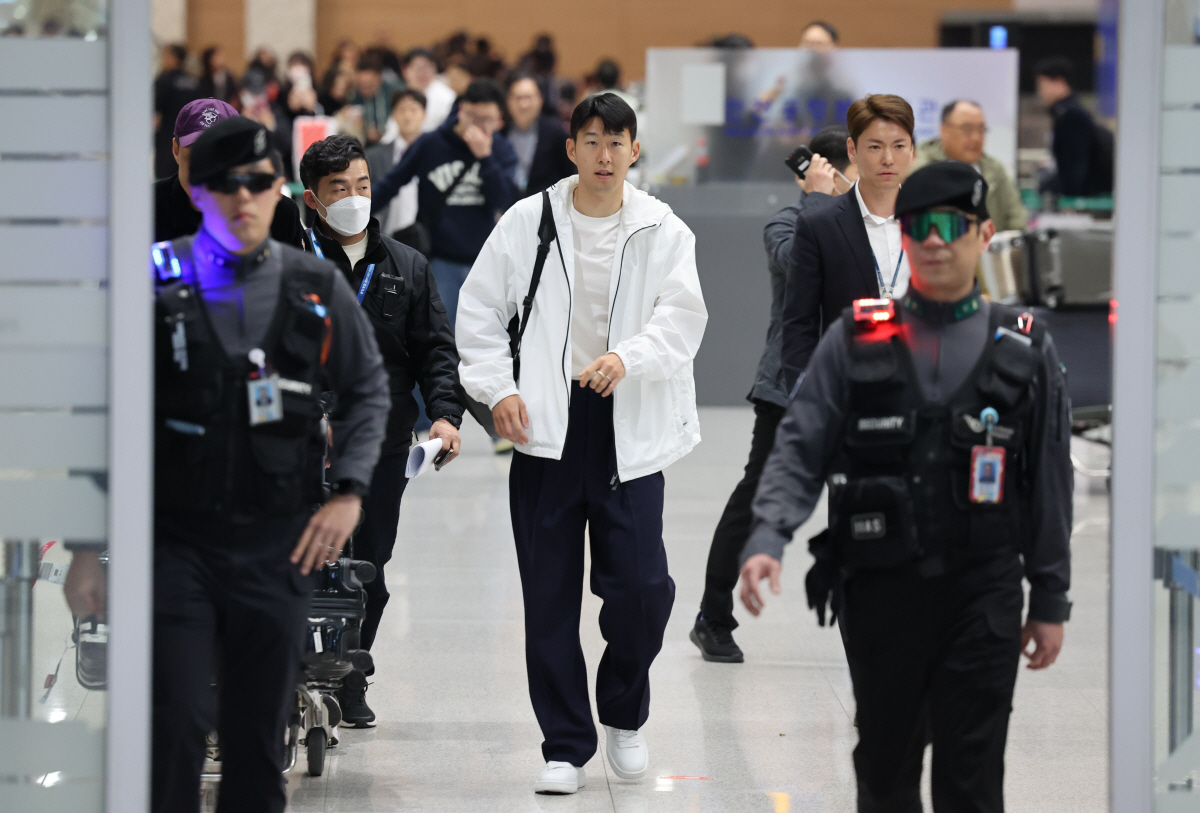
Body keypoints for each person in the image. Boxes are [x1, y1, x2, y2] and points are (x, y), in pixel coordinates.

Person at [740, 161, 1072, 812]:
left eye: (953, 224)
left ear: (985, 234)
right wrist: (769, 533)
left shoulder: (1024, 348)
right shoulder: (857, 338)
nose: (936, 239)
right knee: (884, 773)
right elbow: (800, 443)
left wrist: (1052, 595)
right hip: (880, 593)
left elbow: (1049, 479)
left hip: (984, 594)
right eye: (919, 226)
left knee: (971, 779)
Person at [456, 92, 708, 795]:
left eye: (617, 142)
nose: (604, 155)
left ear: (634, 150)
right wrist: (498, 388)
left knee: (641, 588)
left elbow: (683, 320)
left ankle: (623, 713)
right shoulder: (528, 221)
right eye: (590, 140)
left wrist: (628, 357)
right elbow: (478, 311)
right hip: (545, 426)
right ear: (570, 148)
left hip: (628, 421)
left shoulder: (662, 227)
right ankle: (565, 741)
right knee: (549, 592)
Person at [140, 117, 389, 813]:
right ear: (199, 191)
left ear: (279, 188)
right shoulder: (156, 284)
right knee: (178, 721)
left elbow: (368, 387)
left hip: (275, 545)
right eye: (226, 184)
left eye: (258, 182)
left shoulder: (314, 284)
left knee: (256, 737)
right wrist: (89, 548)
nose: (243, 198)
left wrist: (349, 493)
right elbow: (103, 405)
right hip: (175, 544)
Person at [299, 134, 464, 726]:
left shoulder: (407, 266)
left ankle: (349, 679)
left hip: (383, 442)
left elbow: (436, 351)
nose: (354, 198)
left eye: (362, 186)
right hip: (303, 441)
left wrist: (445, 413)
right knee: (303, 559)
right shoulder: (292, 264)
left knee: (369, 565)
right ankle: (290, 673)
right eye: (339, 189)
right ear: (313, 201)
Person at [690, 126, 857, 662]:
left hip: (859, 389)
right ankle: (712, 616)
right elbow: (798, 265)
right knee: (757, 499)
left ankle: (865, 632)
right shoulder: (789, 222)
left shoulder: (872, 228)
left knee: (855, 506)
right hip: (789, 387)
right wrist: (816, 200)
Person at [781, 94, 916, 391]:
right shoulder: (820, 224)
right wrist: (804, 395)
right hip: (846, 386)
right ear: (852, 151)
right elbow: (799, 324)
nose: (888, 159)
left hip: (921, 384)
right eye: (875, 147)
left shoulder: (930, 219)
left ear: (913, 151)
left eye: (899, 146)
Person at [154, 98, 306, 248]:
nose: (209, 171)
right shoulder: (147, 208)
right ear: (176, 150)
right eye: (198, 156)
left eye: (222, 157)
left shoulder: (279, 214)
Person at [911, 100, 1027, 232]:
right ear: (943, 130)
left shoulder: (994, 170)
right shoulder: (920, 168)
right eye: (967, 129)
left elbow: (1017, 221)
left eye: (981, 130)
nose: (976, 138)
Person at [1034, 57, 1114, 197]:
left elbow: (1074, 171)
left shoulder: (1072, 117)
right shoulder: (1067, 114)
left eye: (1042, 85)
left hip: (1086, 200)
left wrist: (1050, 189)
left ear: (1059, 82)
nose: (1040, 92)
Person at [367, 89, 427, 246]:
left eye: (414, 110)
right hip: (386, 236)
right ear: (393, 114)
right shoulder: (375, 156)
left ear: (424, 114)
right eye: (402, 110)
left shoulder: (434, 153)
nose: (408, 115)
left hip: (427, 238)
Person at [503, 73, 575, 198]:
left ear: (540, 99)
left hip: (546, 209)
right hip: (508, 209)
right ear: (508, 101)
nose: (523, 104)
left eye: (528, 97)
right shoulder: (499, 134)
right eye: (518, 98)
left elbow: (569, 175)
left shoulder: (556, 134)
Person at [154, 43, 201, 179]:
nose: (163, 60)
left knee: (165, 176)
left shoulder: (164, 80)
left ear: (174, 58)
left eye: (165, 56)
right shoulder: (193, 81)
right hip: (190, 135)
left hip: (167, 136)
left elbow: (156, 106)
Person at [401, 48, 457, 131]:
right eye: (419, 68)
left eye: (428, 67)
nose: (423, 73)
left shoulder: (447, 97)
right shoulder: (401, 94)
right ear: (405, 70)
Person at [347, 52, 395, 145]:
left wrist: (381, 133)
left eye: (369, 85)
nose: (364, 89)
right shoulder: (354, 96)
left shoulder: (392, 94)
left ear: (379, 78)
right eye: (361, 85)